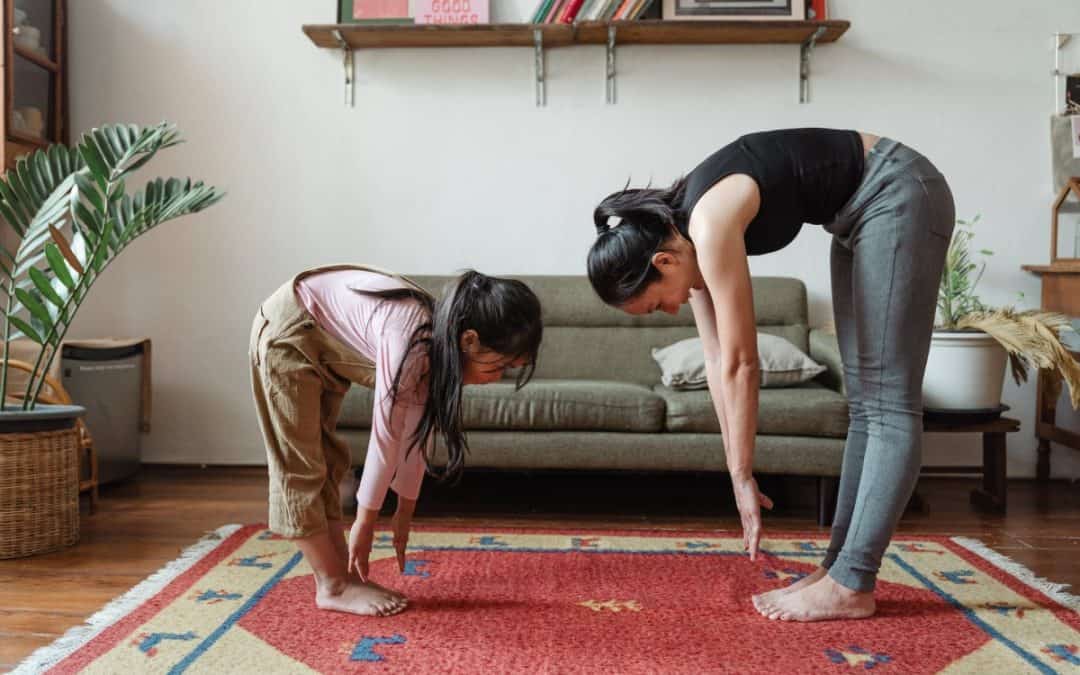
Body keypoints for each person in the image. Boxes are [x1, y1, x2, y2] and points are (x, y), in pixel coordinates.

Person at [586, 129, 955, 621]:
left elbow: (743, 362)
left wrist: (743, 475)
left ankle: (853, 583)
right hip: (856, 214)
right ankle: (839, 571)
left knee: (888, 402)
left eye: (657, 302)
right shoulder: (684, 240)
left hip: (898, 190)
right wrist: (734, 468)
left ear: (663, 262)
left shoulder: (709, 224)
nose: (670, 308)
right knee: (867, 405)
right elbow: (717, 359)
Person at [250, 265, 543, 616]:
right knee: (299, 465)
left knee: (327, 461)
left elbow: (412, 435)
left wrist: (403, 514)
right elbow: (385, 433)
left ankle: (342, 579)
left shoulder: (438, 349)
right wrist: (365, 522)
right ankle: (333, 585)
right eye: (500, 366)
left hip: (321, 343)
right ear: (470, 340)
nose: (497, 378)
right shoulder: (412, 339)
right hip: (290, 333)